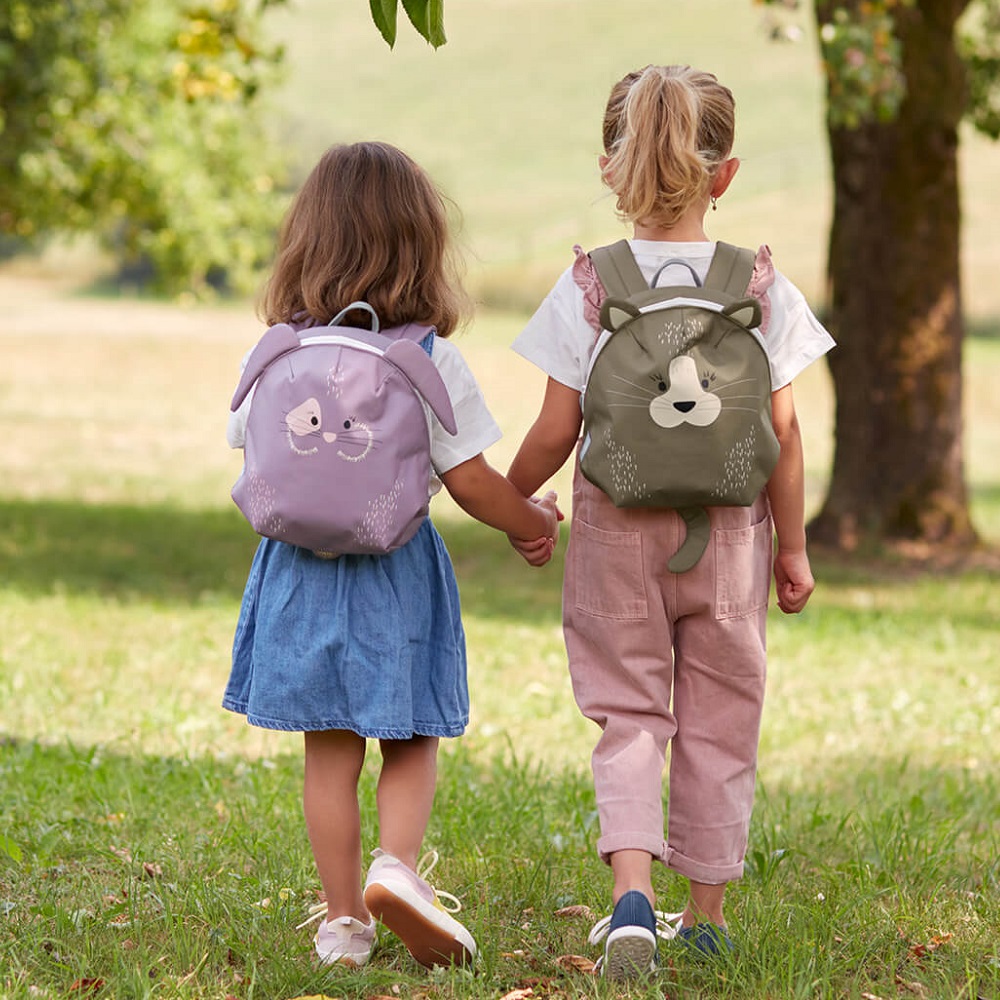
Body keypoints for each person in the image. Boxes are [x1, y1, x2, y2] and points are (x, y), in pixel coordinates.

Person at [506, 65, 834, 979]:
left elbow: (554, 429)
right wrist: (794, 547)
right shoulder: (760, 288)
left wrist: (515, 501)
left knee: (628, 712)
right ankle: (710, 914)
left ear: (609, 169)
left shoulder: (588, 286)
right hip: (732, 535)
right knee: (723, 715)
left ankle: (631, 902)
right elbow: (786, 432)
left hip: (617, 530)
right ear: (724, 176)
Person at [224, 141, 560, 971]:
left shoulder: (274, 351)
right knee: (409, 737)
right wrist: (529, 521)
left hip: (296, 574)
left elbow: (249, 448)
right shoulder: (426, 359)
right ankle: (397, 869)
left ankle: (342, 924)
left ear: (306, 241)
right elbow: (474, 480)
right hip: (397, 573)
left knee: (328, 750)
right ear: (422, 245)